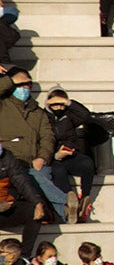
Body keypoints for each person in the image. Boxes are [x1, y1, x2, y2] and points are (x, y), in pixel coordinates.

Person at [0, 67, 67, 223]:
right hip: (10, 161)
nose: (24, 88)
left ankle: (60, 214)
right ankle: (65, 205)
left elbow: (47, 137)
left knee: (41, 173)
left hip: (34, 161)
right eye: (20, 84)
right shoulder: (3, 105)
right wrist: (10, 80)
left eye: (28, 84)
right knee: (32, 177)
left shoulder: (38, 112)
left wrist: (43, 157)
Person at [42, 87, 93, 224]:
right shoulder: (42, 117)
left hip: (70, 154)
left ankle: (84, 198)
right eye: (55, 104)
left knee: (87, 163)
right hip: (52, 157)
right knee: (58, 170)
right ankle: (69, 201)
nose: (59, 107)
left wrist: (69, 102)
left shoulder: (69, 115)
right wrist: (56, 155)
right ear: (48, 104)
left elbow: (86, 116)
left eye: (61, 104)